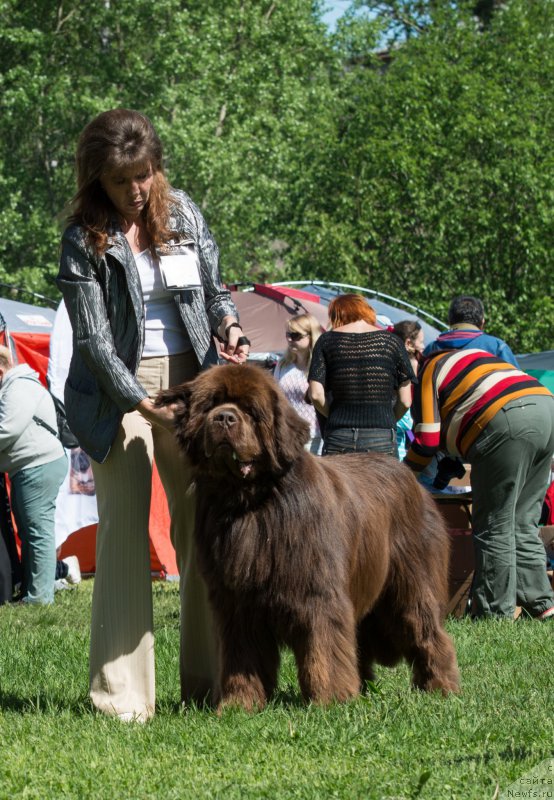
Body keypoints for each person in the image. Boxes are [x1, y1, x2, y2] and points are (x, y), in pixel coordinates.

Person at [57, 108, 250, 722]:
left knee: (202, 528)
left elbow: (214, 290)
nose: (136, 191)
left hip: (192, 384)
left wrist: (229, 325)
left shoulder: (184, 211)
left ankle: (209, 681)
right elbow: (92, 340)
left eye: (143, 175)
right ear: (97, 180)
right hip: (118, 392)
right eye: (120, 181)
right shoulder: (82, 238)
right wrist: (142, 405)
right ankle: (122, 700)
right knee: (122, 532)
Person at [404, 348, 554, 621]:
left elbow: (426, 438)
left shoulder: (430, 369)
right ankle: (542, 605)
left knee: (494, 523)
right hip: (546, 407)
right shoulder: (473, 361)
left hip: (508, 417)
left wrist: (402, 475)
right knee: (523, 520)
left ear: (417, 359)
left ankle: (494, 613)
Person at [0, 346, 67, 605]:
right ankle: (33, 590)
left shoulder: (18, 388)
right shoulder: (17, 386)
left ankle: (40, 597)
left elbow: (7, 430)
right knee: (31, 532)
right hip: (29, 467)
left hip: (36, 466)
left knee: (38, 531)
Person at [308, 294, 415, 456]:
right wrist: (388, 420)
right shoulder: (391, 342)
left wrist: (335, 416)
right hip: (381, 435)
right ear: (366, 311)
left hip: (339, 435)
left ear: (337, 316)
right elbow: (406, 401)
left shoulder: (326, 341)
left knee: (339, 482)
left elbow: (315, 395)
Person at [273, 314, 324, 454]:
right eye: (288, 334)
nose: (290, 339)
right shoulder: (283, 365)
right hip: (287, 433)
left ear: (311, 336)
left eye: (296, 335)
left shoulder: (320, 366)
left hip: (315, 436)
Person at [424, 295, 519, 365]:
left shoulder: (431, 349)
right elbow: (518, 386)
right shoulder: (496, 347)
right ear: (482, 322)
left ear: (449, 321)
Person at [392, 320, 425, 460]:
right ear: (409, 343)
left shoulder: (391, 359)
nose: (423, 346)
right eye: (421, 341)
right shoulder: (411, 364)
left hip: (400, 419)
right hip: (404, 417)